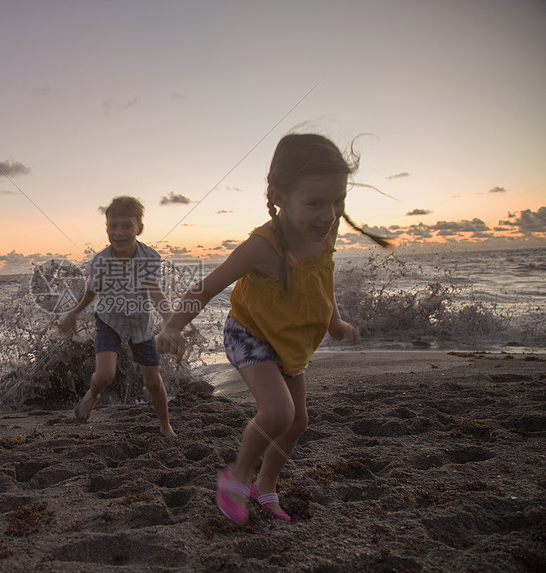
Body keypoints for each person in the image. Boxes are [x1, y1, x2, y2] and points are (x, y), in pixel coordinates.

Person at [156, 133, 390, 523]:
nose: (328, 214)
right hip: (250, 334)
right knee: (278, 412)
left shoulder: (325, 231)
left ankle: (265, 486)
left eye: (337, 202)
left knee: (298, 421)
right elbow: (207, 286)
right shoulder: (262, 246)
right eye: (315, 203)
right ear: (279, 195)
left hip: (292, 338)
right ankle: (237, 475)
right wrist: (174, 325)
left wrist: (334, 319)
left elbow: (322, 279)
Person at [57, 196, 176, 437]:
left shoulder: (150, 258)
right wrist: (73, 314)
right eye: (113, 226)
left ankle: (165, 425)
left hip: (141, 324)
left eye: (127, 226)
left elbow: (156, 293)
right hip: (109, 320)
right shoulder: (101, 261)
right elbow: (91, 292)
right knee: (105, 375)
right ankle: (93, 393)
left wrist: (173, 325)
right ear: (106, 228)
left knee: (153, 382)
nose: (119, 233)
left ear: (139, 228)